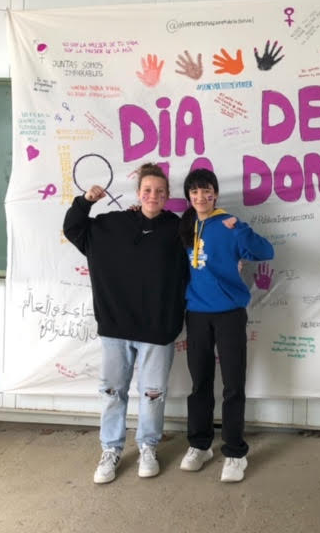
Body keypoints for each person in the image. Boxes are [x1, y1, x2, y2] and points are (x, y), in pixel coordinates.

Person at [63, 163, 187, 484]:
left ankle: (148, 446)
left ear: (167, 195)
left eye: (159, 191)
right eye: (147, 190)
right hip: (116, 327)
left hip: (158, 329)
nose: (153, 196)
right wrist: (85, 201)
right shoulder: (112, 224)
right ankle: (111, 449)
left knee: (152, 394)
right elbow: (74, 228)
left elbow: (202, 258)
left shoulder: (178, 229)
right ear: (138, 193)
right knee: (112, 392)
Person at [178, 168, 274, 483]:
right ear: (188, 196)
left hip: (230, 313)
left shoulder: (230, 224)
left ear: (215, 194)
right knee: (200, 383)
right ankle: (200, 445)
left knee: (233, 384)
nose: (200, 197)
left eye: (206, 191)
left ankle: (235, 452)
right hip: (196, 314)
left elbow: (266, 251)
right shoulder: (185, 225)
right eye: (194, 192)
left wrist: (241, 231)